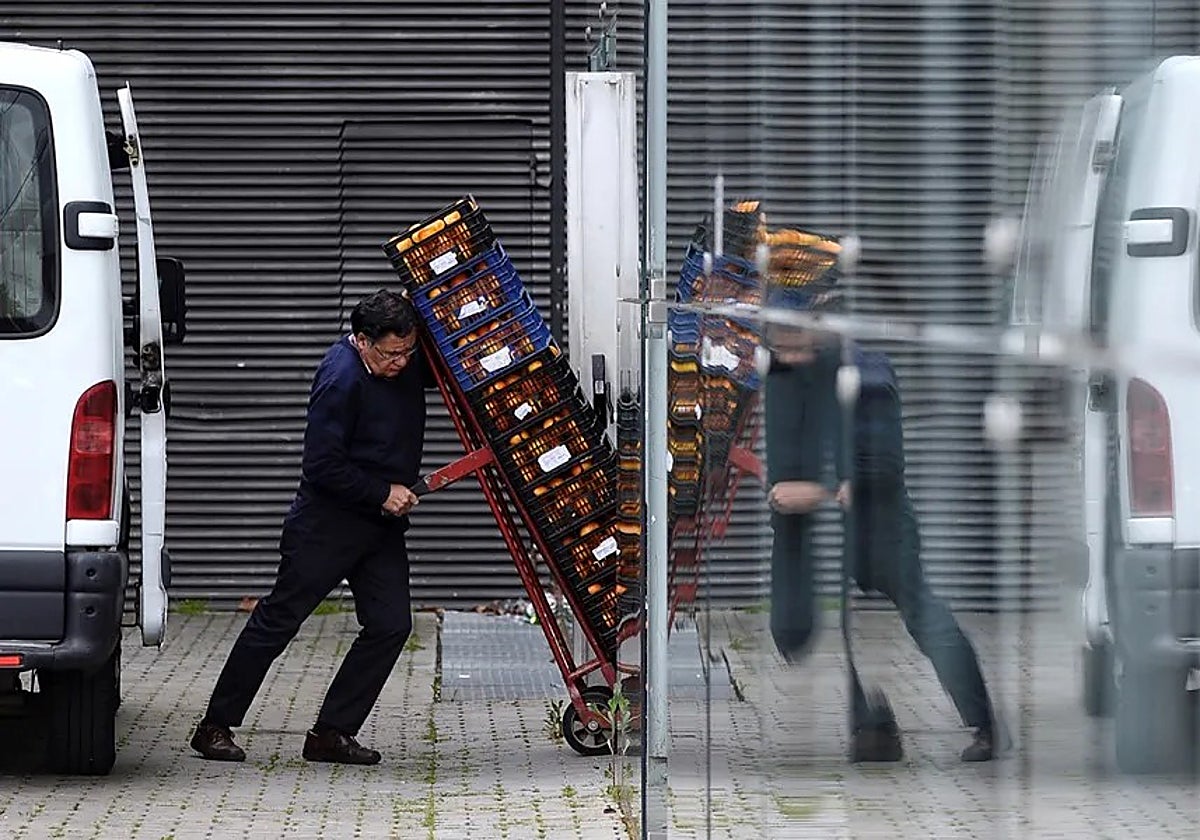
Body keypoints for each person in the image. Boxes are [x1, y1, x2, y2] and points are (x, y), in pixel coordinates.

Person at [190, 289, 431, 766]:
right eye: (391, 354)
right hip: (328, 525)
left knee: (390, 625)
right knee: (279, 620)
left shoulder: (400, 357)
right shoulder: (340, 378)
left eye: (409, 351)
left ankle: (331, 733)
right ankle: (214, 726)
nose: (402, 363)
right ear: (362, 341)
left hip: (378, 529)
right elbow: (322, 465)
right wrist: (382, 492)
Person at [764, 322, 1004, 763]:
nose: (788, 357)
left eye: (793, 346)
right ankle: (872, 728)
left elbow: (883, 467)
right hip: (839, 529)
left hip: (883, 527)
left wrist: (813, 491)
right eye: (780, 348)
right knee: (837, 627)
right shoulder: (796, 378)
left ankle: (984, 726)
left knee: (923, 616)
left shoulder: (867, 378)